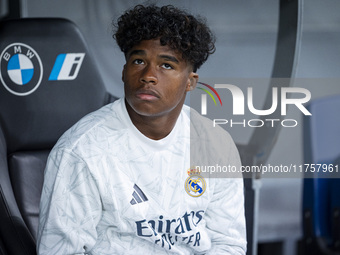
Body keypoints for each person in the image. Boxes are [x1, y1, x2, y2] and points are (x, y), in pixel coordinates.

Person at [37, 4, 246, 255]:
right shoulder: (81, 150)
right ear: (125, 72)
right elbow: (59, 251)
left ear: (190, 82)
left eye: (166, 65)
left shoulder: (216, 144)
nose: (148, 75)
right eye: (138, 61)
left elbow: (227, 243)